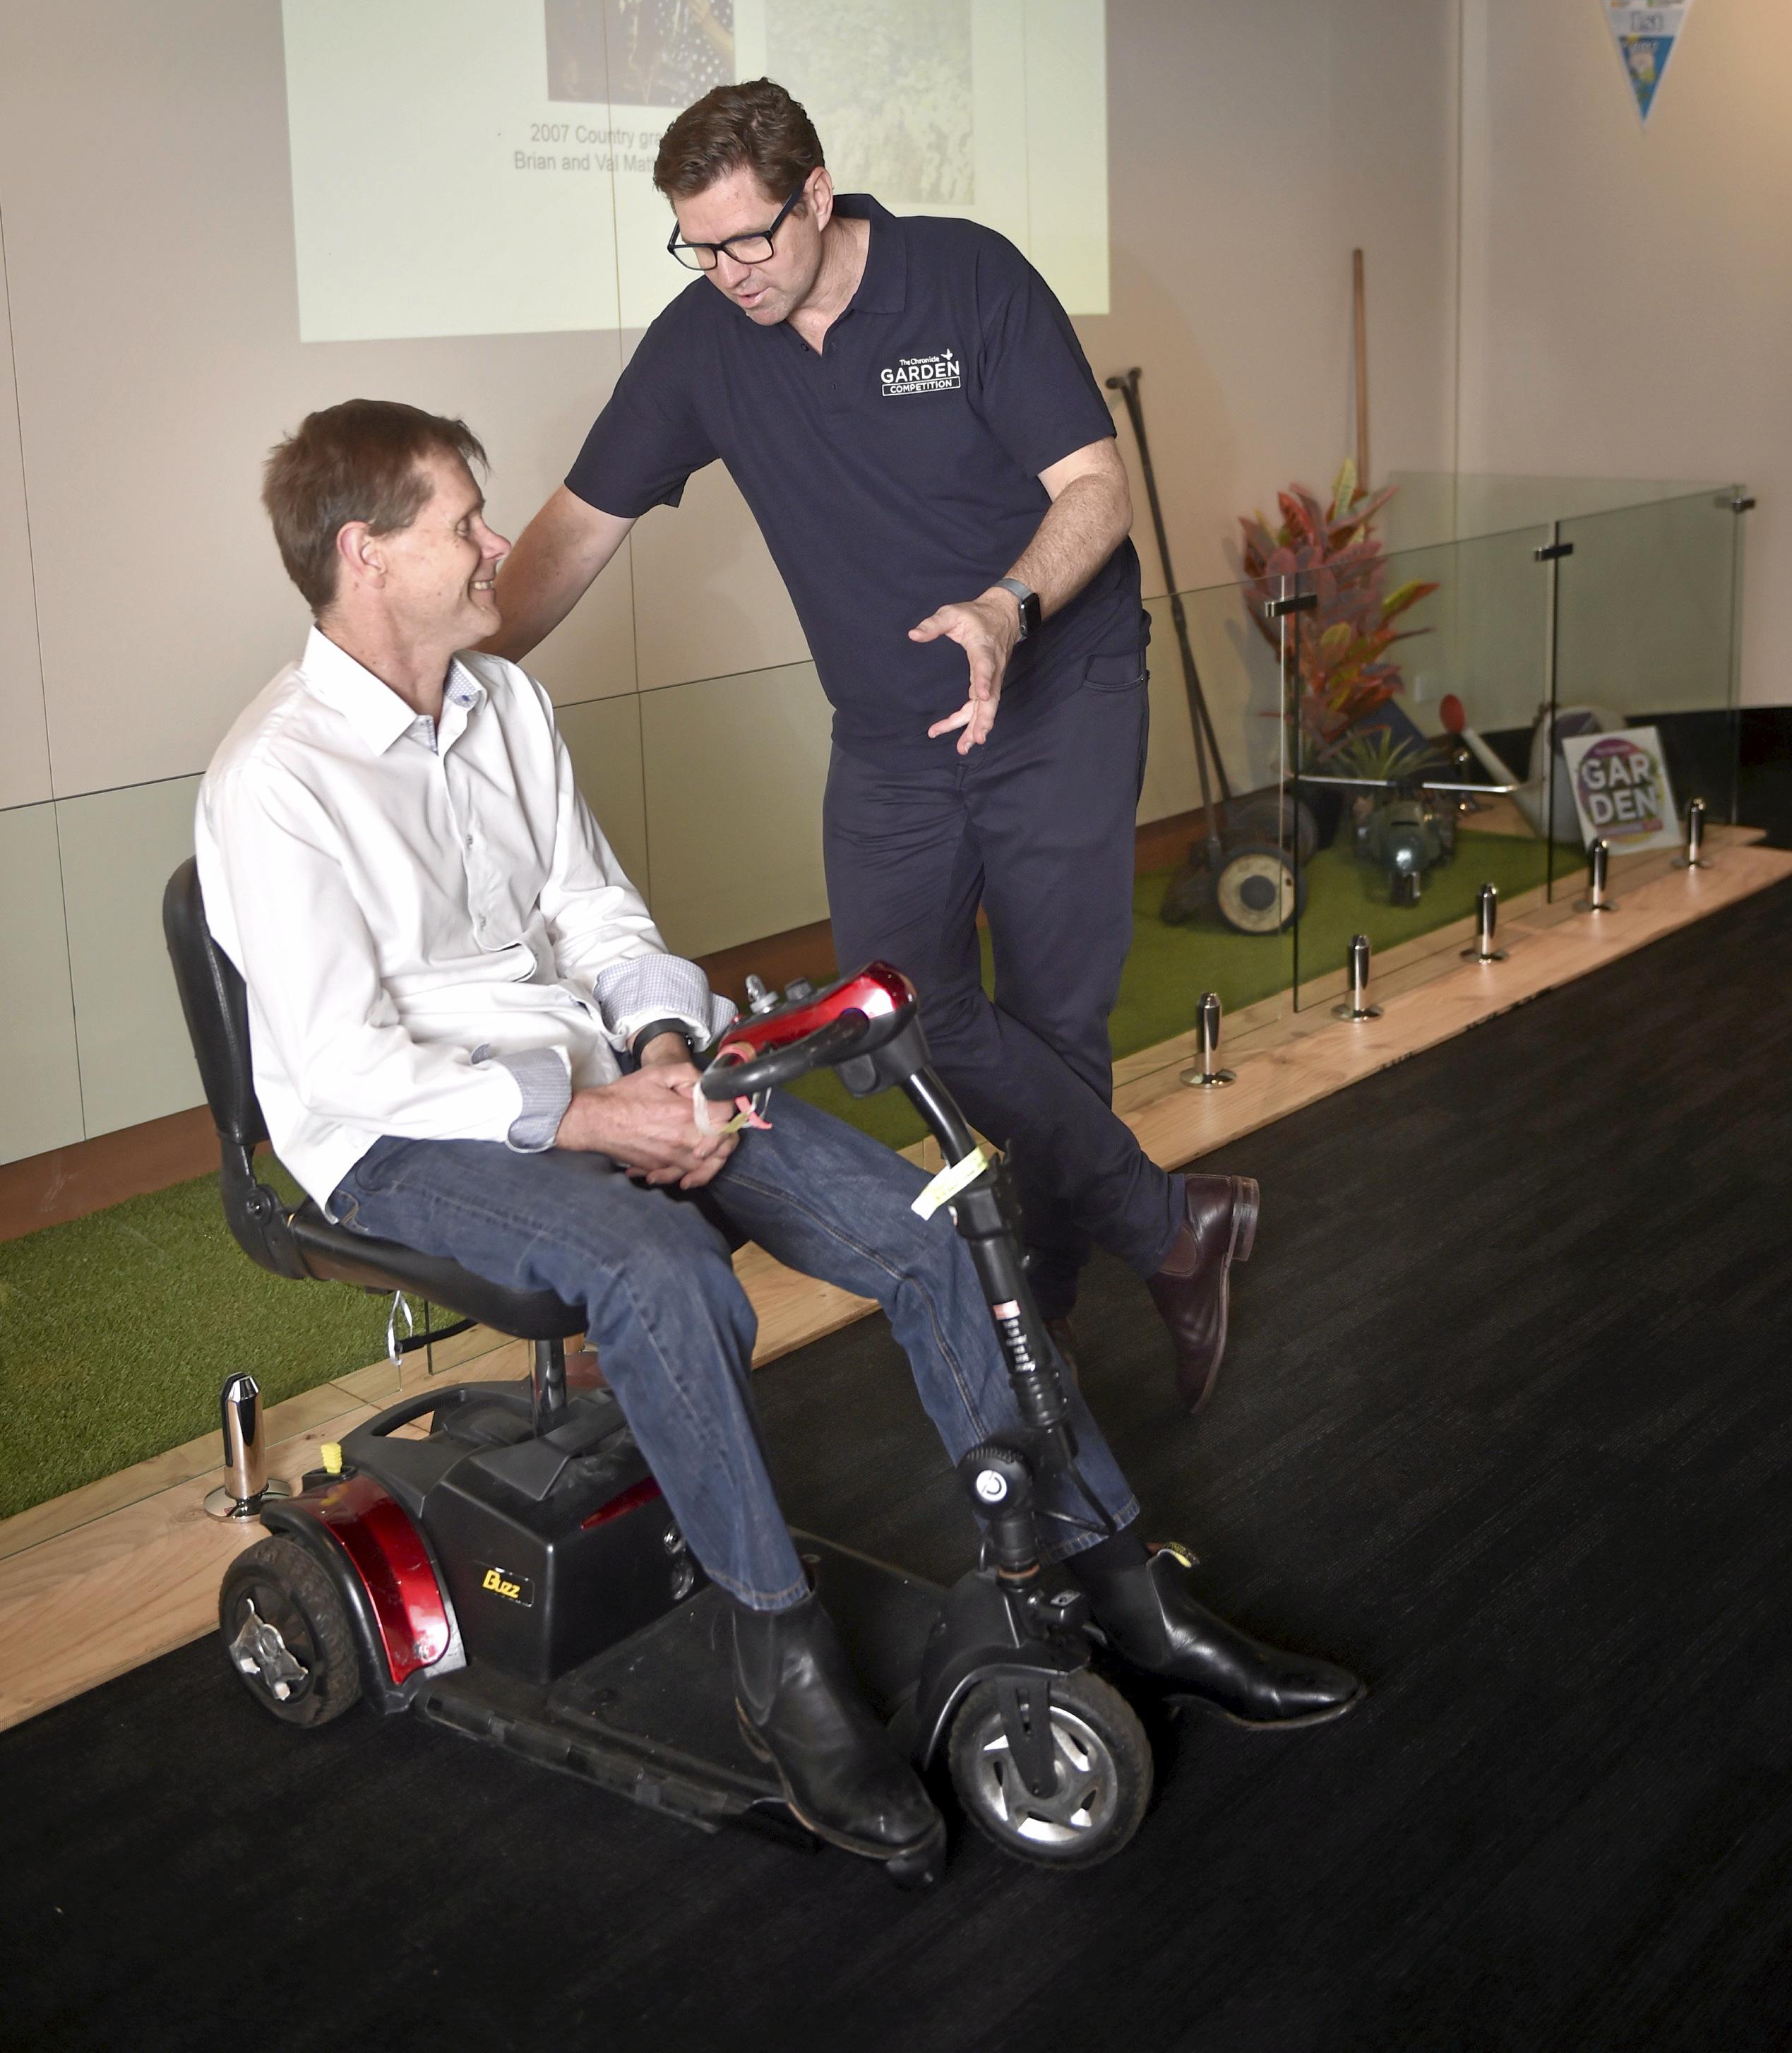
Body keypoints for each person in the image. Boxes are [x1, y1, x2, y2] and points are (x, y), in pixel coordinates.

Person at [197, 400, 1361, 1872]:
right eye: (463, 523)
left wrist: (668, 1050)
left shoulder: (504, 705)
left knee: (933, 1222)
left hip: (596, 1070)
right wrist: (593, 1112)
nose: (502, 545)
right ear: (366, 555)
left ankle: (1120, 1578)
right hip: (407, 1133)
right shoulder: (274, 779)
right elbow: (348, 1058)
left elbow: (599, 916)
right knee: (669, 1277)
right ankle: (781, 1666)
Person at [489, 80, 1255, 1409]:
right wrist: (444, 661)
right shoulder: (700, 345)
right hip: (892, 732)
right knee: (895, 1006)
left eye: (750, 239)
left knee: (1055, 1023)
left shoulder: (967, 277)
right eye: (698, 244)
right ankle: (1175, 1225)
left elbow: (1096, 487)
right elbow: (574, 531)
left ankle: (1043, 1339)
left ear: (818, 195)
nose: (727, 271)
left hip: (1058, 686)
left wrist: (1005, 607)